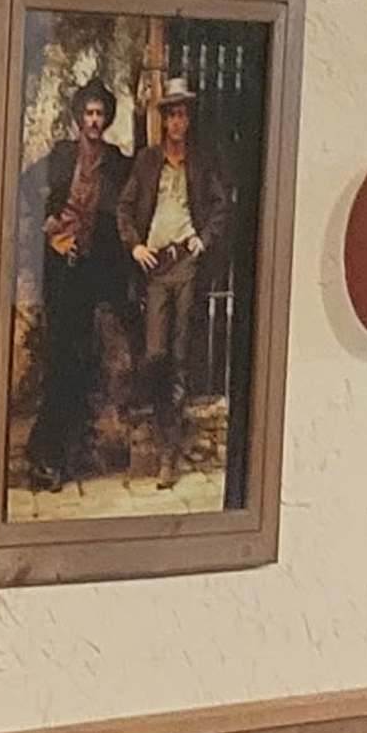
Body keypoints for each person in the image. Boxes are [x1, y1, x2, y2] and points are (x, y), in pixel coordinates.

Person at [120, 77, 238, 482]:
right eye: (170, 114)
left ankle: (169, 453)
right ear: (164, 120)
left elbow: (222, 206)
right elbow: (125, 206)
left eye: (182, 114)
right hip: (155, 268)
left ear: (188, 120)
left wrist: (203, 240)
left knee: (180, 355)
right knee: (155, 355)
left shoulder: (201, 161)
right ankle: (157, 426)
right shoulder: (148, 161)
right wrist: (135, 245)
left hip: (186, 263)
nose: (176, 122)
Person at [21, 76, 134, 493]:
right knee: (59, 362)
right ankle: (45, 456)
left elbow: (133, 202)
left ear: (107, 119)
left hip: (91, 272)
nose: (94, 120)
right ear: (78, 118)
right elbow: (26, 189)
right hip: (61, 269)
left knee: (84, 364)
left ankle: (70, 457)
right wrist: (50, 228)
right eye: (88, 113)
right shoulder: (62, 156)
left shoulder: (117, 162)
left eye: (100, 113)